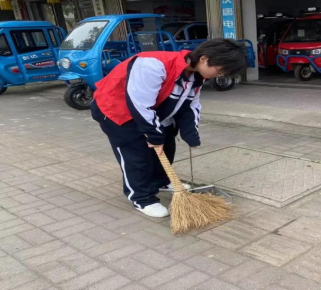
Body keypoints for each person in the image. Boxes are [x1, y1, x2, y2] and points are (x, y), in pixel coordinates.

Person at [91, 39, 247, 218]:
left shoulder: (196, 77)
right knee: (137, 156)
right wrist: (152, 134)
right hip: (116, 110)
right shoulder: (153, 65)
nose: (218, 75)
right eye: (220, 70)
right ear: (204, 59)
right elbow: (139, 104)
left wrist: (190, 133)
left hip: (152, 111)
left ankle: (160, 181)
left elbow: (190, 105)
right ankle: (141, 198)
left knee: (167, 145)